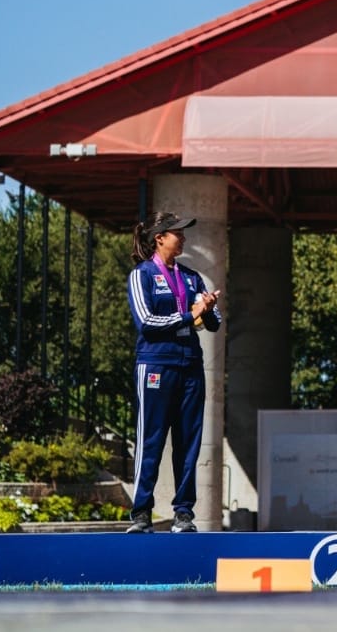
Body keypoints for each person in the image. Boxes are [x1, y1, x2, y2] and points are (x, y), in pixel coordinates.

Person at [125, 212, 222, 534]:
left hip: (190, 364)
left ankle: (184, 513)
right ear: (160, 238)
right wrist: (187, 314)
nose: (184, 237)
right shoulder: (142, 275)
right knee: (151, 439)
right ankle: (141, 512)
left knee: (188, 442)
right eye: (178, 232)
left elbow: (214, 322)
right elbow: (146, 323)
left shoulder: (193, 278)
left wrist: (206, 309)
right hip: (155, 364)